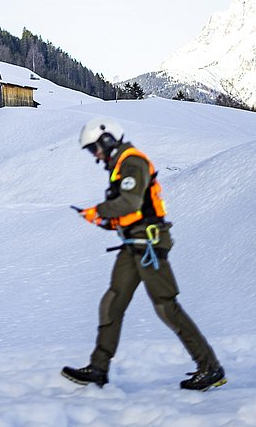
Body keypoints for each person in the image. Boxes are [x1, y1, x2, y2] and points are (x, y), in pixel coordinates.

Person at [62, 118, 226, 392]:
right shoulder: (120, 167)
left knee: (166, 307)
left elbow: (129, 202)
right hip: (133, 244)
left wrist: (99, 211)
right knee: (112, 303)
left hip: (150, 244)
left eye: (94, 149)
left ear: (107, 140)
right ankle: (99, 368)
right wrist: (105, 220)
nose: (95, 156)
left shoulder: (132, 162)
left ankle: (210, 368)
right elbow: (131, 212)